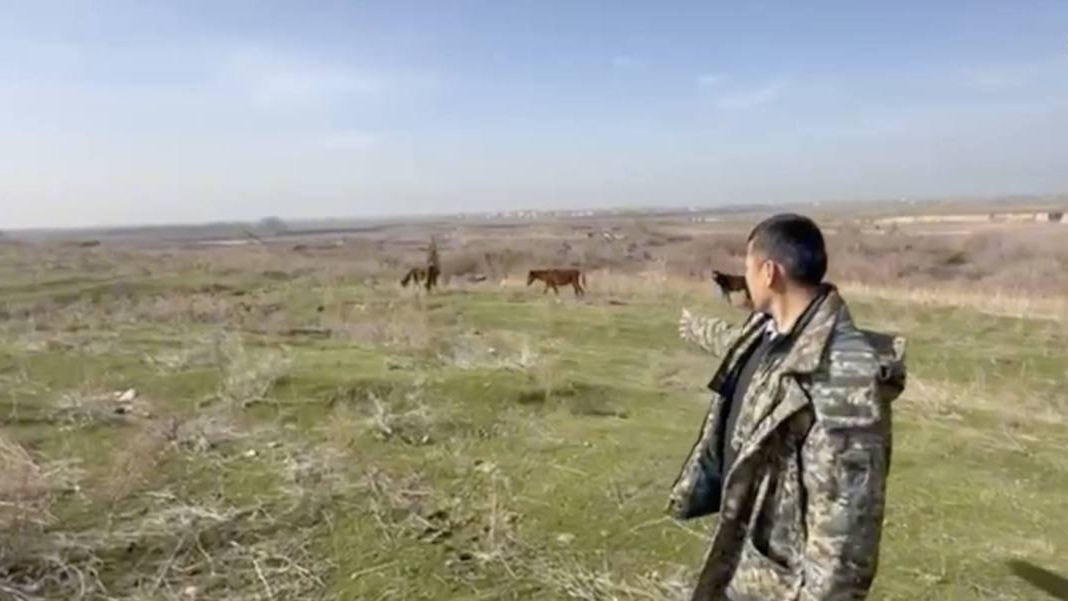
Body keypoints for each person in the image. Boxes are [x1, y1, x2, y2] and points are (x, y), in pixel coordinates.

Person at [669, 214, 907, 601]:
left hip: (786, 583)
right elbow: (733, 346)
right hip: (748, 557)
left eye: (747, 267)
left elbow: (847, 532)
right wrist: (694, 326)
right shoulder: (770, 332)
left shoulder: (841, 375)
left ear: (769, 272)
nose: (743, 277)